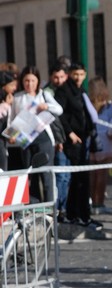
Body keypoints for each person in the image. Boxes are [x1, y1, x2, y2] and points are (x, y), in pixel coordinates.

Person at [55, 62, 102, 230]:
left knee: (81, 178)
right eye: (76, 74)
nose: (79, 78)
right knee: (77, 179)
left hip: (84, 139)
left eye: (81, 74)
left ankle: (80, 214)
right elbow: (59, 115)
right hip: (73, 141)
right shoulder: (63, 91)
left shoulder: (81, 91)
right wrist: (70, 133)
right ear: (70, 74)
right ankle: (77, 214)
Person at [9, 65, 63, 202]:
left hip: (43, 138)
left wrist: (46, 106)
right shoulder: (17, 98)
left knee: (46, 175)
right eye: (27, 81)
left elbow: (59, 109)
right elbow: (12, 119)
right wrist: (11, 136)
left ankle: (50, 207)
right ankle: (34, 206)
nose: (30, 84)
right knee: (29, 175)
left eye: (33, 81)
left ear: (38, 81)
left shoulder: (44, 95)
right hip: (25, 139)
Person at [44, 61, 70, 222]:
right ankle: (58, 209)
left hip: (64, 138)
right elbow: (54, 120)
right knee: (60, 176)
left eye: (62, 77)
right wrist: (59, 139)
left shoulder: (66, 90)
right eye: (56, 77)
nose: (59, 80)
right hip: (58, 139)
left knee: (66, 176)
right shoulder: (48, 92)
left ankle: (63, 208)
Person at [88, 76, 112, 214]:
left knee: (92, 174)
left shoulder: (88, 103)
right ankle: (100, 203)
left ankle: (93, 202)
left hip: (92, 140)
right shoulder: (109, 106)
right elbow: (111, 124)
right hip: (105, 141)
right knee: (102, 175)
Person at [0, 70, 17, 170]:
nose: (14, 88)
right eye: (12, 85)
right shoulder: (4, 105)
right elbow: (3, 124)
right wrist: (6, 105)